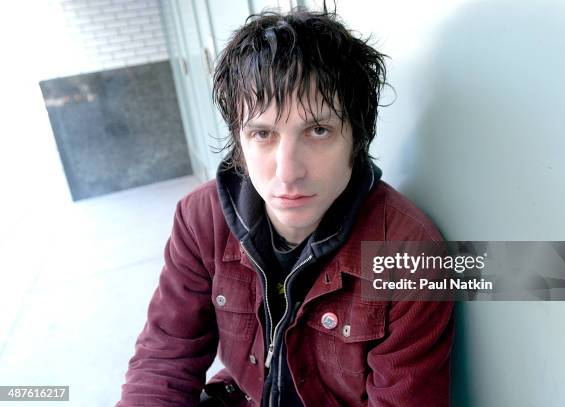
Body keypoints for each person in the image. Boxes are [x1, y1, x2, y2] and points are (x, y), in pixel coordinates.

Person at [117, 7, 454, 407]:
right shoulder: (201, 220)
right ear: (239, 142)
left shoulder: (408, 253)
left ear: (357, 139)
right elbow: (165, 359)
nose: (288, 171)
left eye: (318, 131)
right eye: (262, 133)